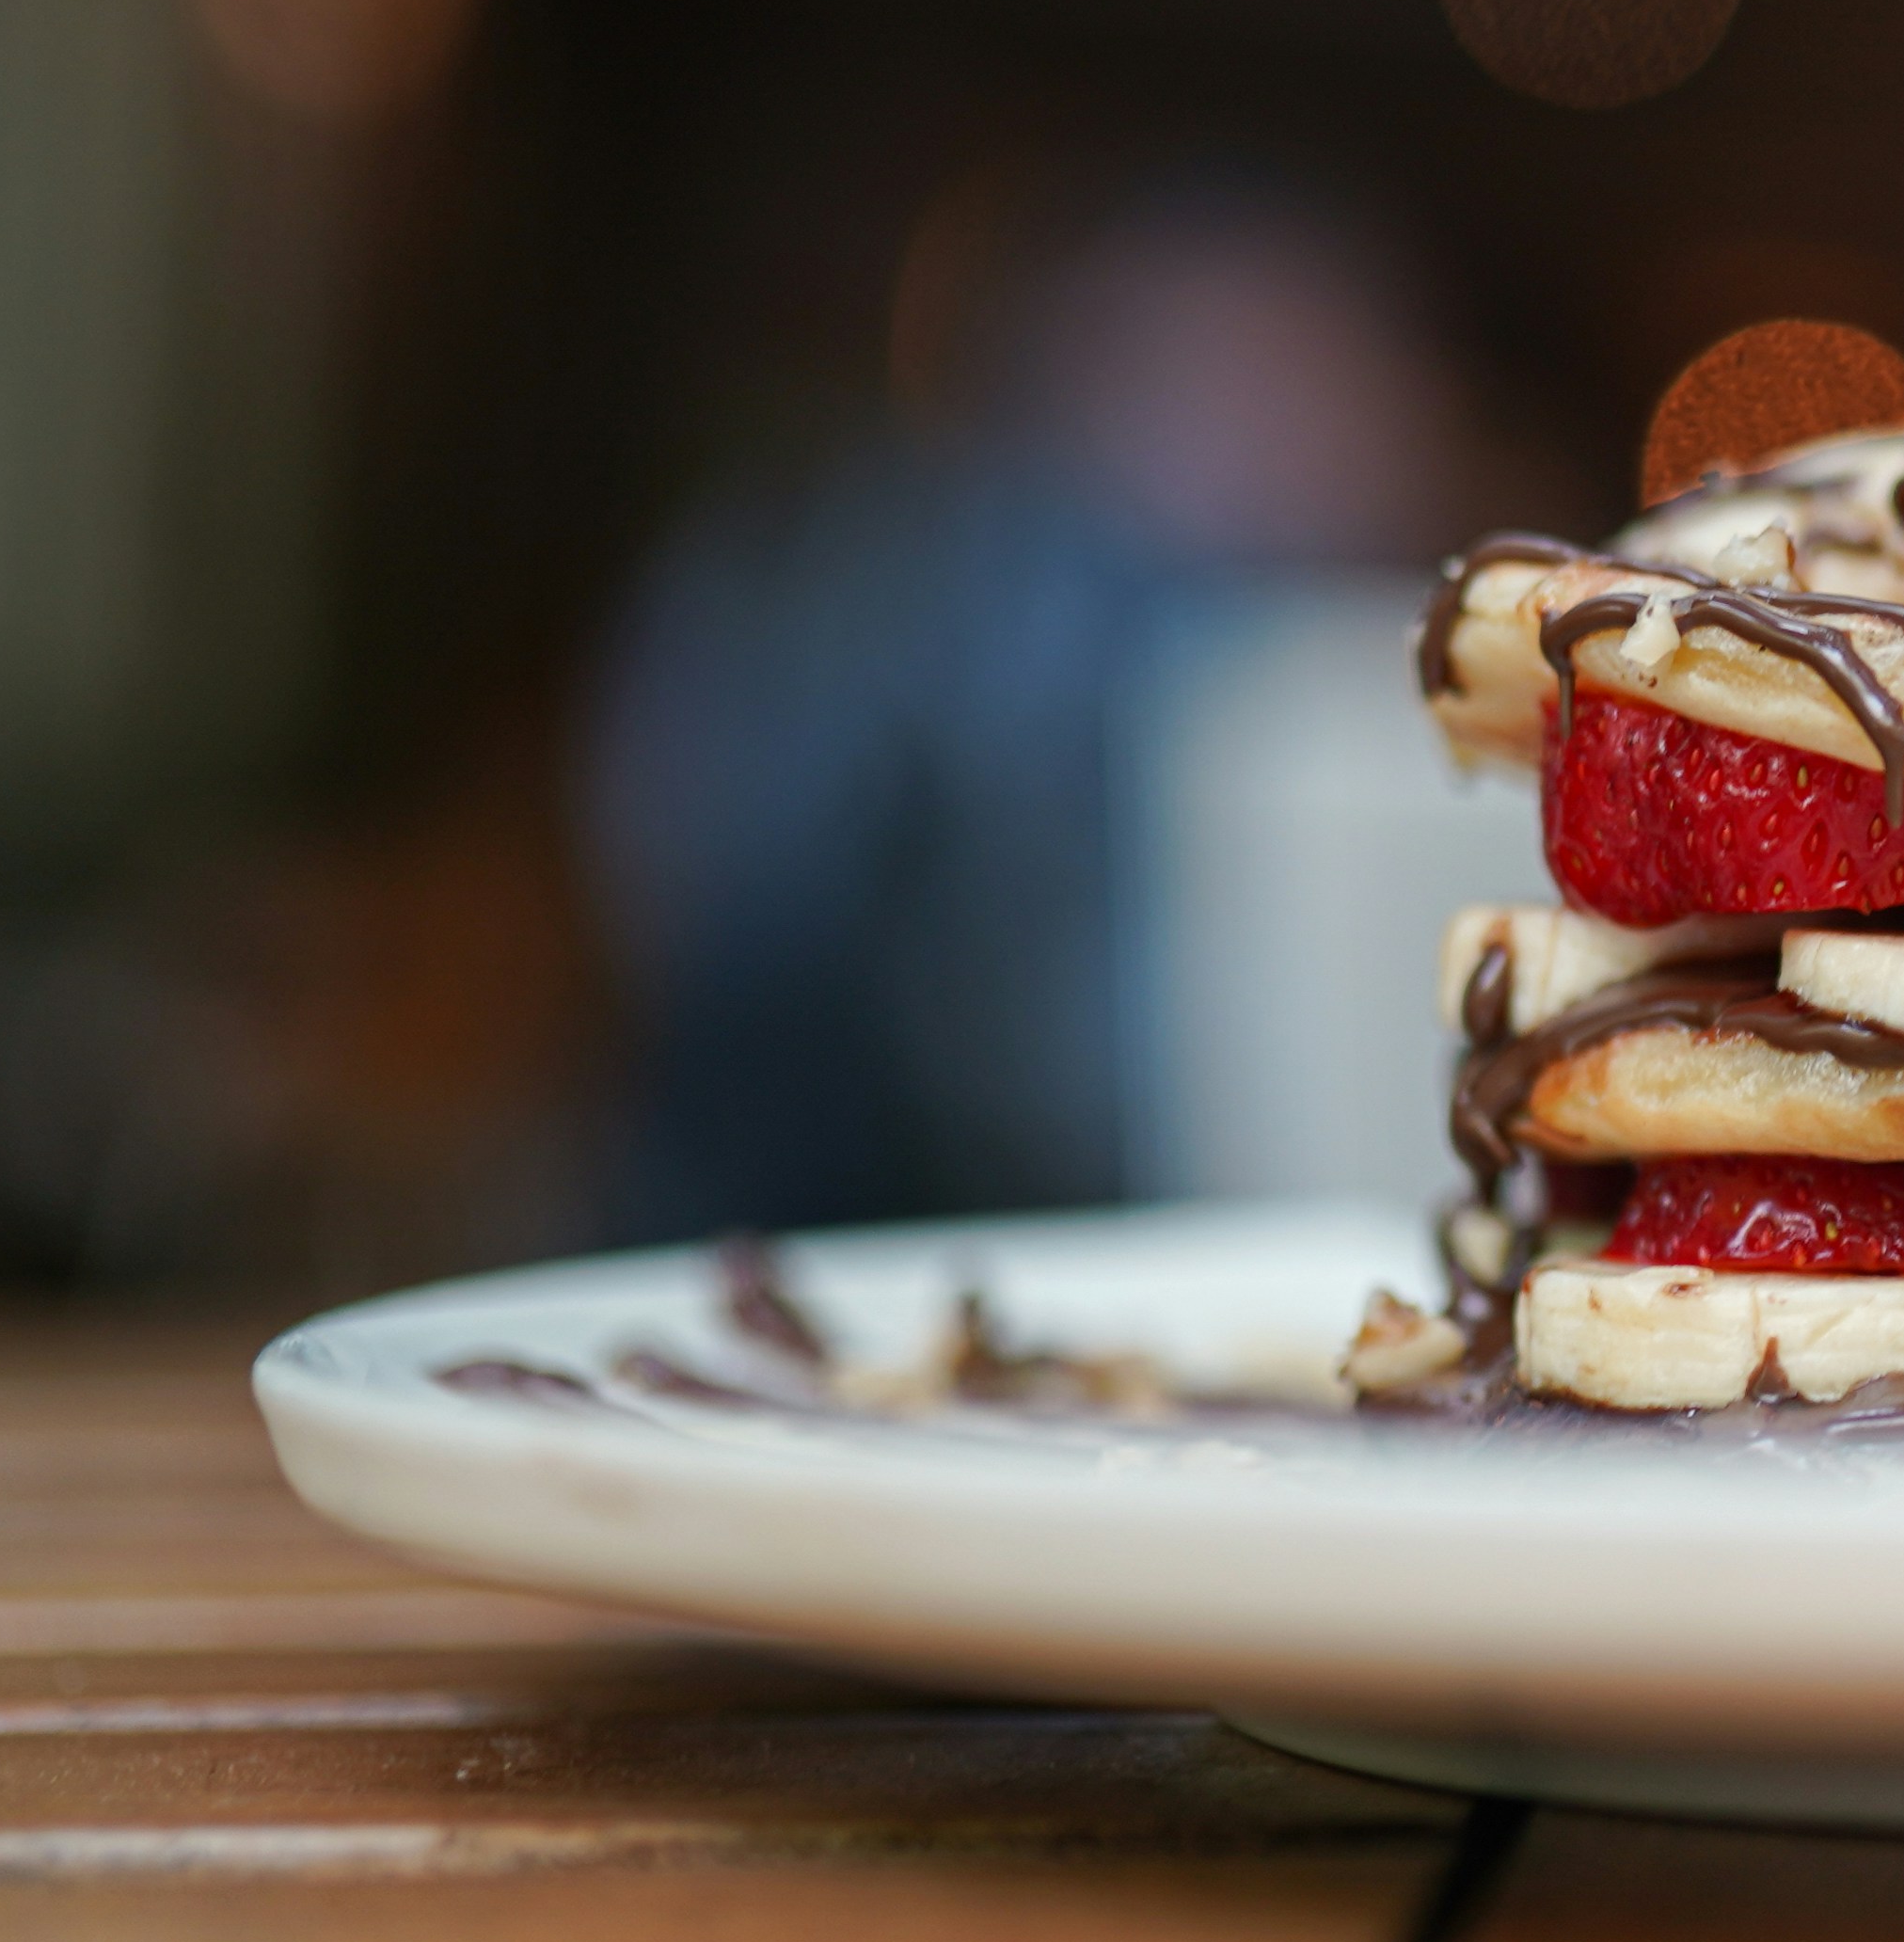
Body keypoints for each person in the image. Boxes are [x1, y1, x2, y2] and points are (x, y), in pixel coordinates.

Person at [579, 171, 1456, 1236]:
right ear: (1097, 380)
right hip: (827, 1231)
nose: (1326, 446)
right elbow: (1063, 1074)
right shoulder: (997, 615)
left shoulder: (1276, 658)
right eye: (1265, 383)